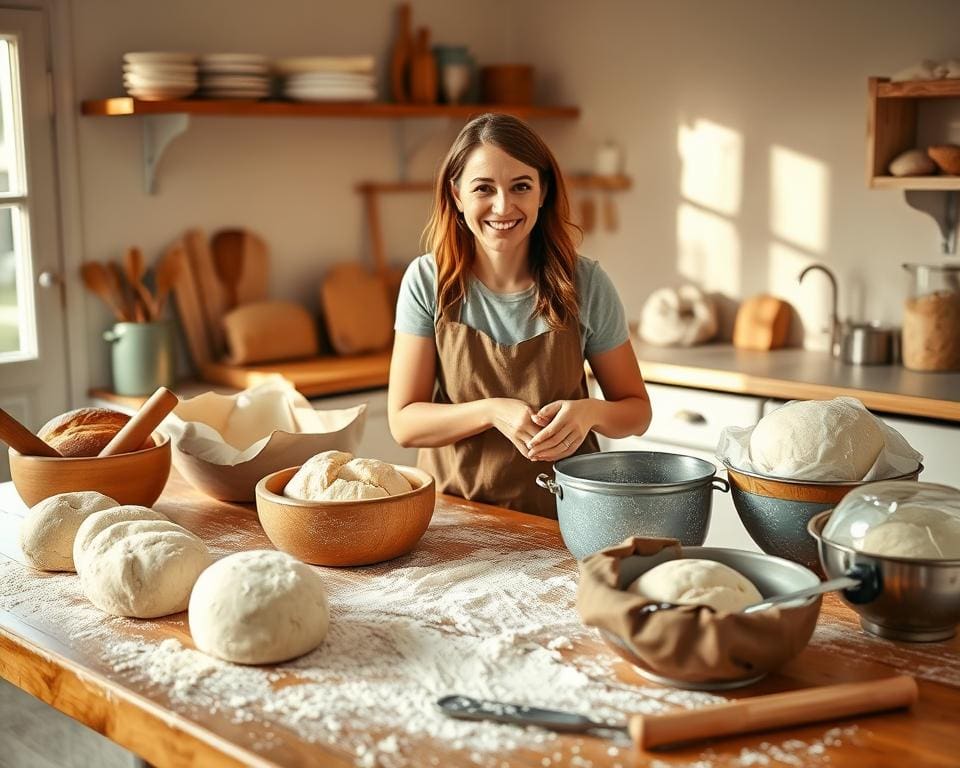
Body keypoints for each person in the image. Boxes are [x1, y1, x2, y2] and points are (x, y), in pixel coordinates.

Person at [387, 113, 652, 518]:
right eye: (483, 188)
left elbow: (637, 411)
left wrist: (590, 413)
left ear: (542, 191)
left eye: (520, 186)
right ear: (456, 195)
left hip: (566, 519)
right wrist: (491, 411)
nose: (502, 206)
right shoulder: (428, 281)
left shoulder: (587, 283)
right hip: (455, 517)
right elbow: (405, 424)